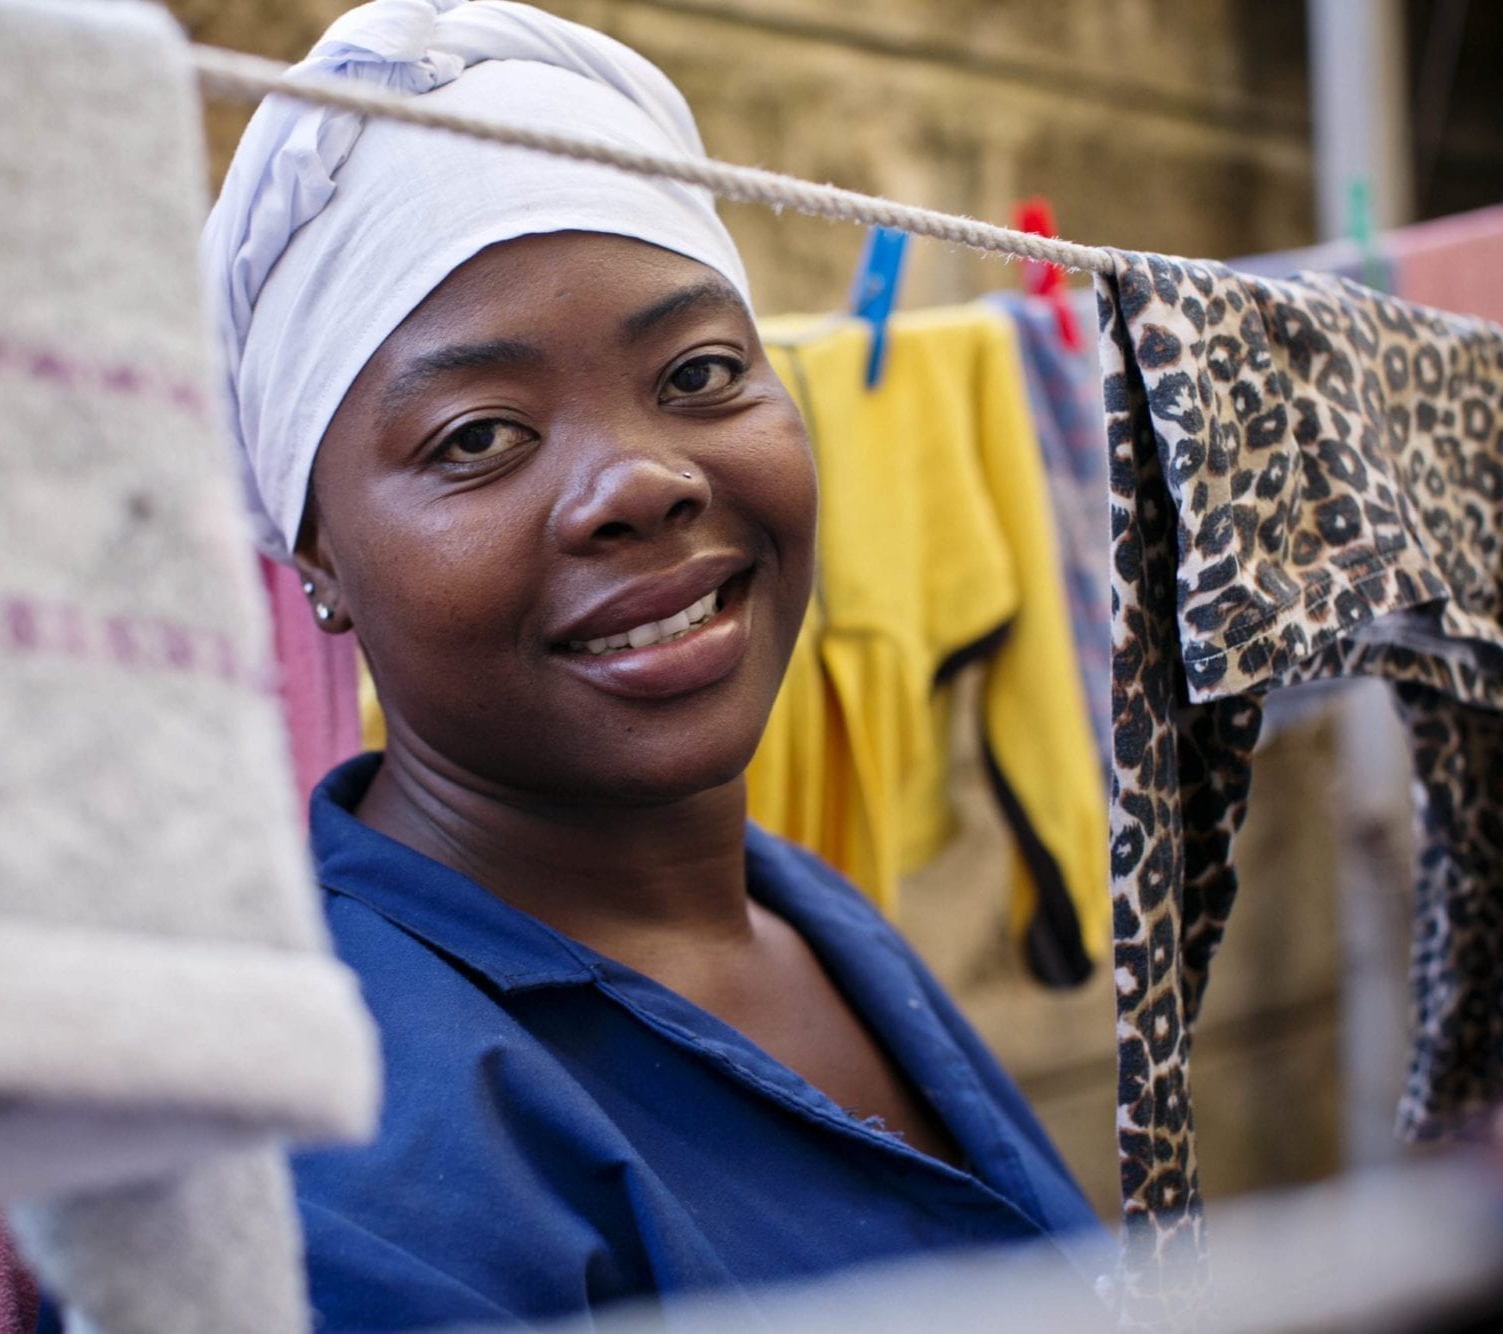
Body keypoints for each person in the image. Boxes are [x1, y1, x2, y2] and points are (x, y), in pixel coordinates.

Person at [199, 0, 1105, 1325]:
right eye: (476, 437)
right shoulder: (335, 1161)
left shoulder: (803, 916)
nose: (640, 478)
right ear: (315, 556)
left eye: (697, 373)